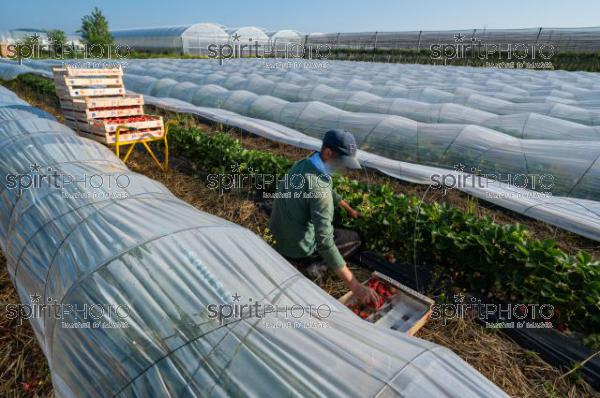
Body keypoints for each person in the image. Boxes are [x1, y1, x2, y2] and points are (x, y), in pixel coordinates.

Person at [269, 129, 378, 304]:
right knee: (354, 239)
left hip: (276, 240)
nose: (344, 168)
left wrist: (348, 208)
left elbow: (329, 188)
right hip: (298, 250)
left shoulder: (305, 164)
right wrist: (356, 286)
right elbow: (325, 241)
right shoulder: (320, 191)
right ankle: (314, 266)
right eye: (342, 162)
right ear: (328, 152)